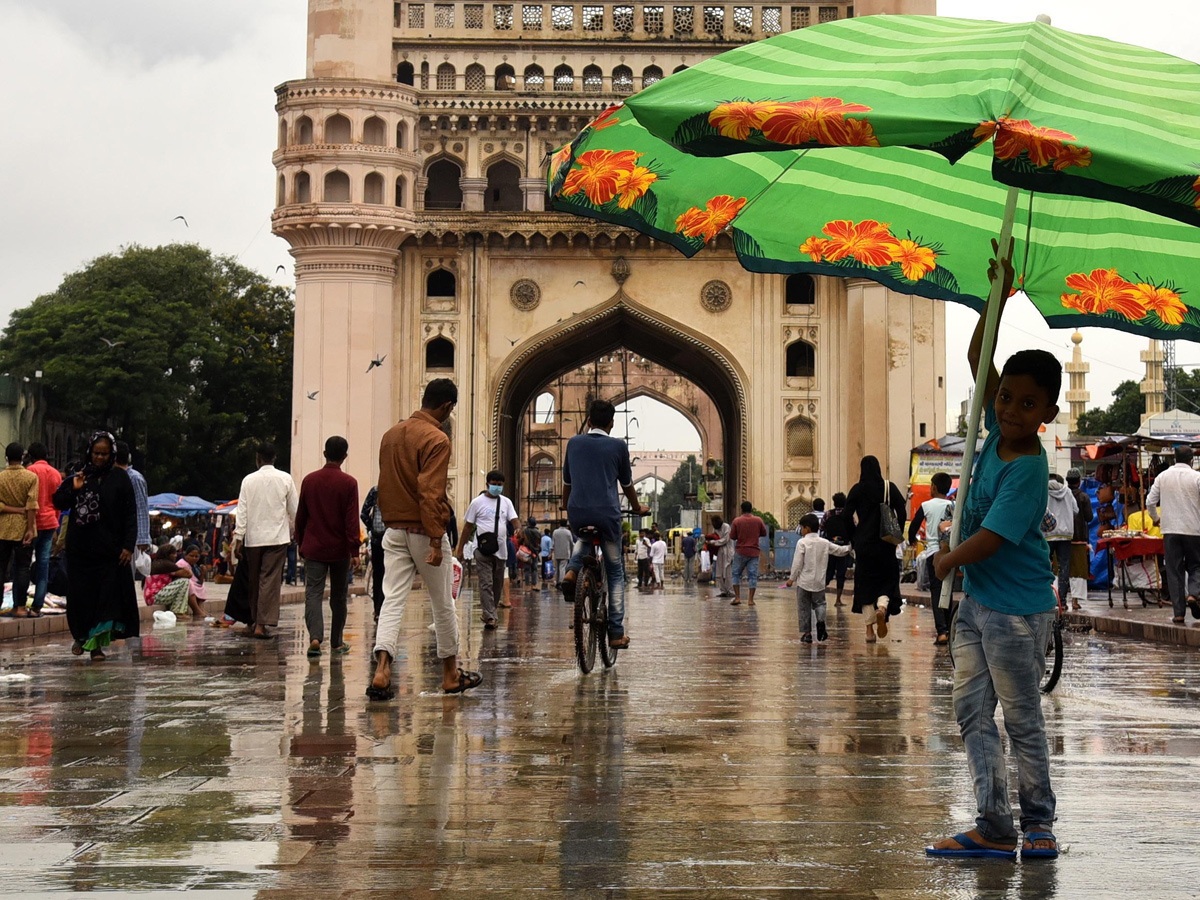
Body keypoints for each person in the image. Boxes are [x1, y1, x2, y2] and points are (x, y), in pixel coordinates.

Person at [927, 248, 1061, 861]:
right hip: (980, 605)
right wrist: (997, 297)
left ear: (1047, 415)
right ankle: (992, 822)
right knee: (972, 712)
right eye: (1005, 398)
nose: (1009, 410)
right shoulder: (990, 435)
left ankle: (1038, 824)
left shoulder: (1029, 466)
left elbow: (995, 539)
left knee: (1021, 718)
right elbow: (983, 359)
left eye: (1026, 405)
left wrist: (945, 561)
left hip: (1016, 609)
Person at [370, 379, 481, 698]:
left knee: (391, 600)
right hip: (423, 531)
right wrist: (436, 539)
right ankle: (449, 673)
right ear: (447, 407)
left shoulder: (391, 435)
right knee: (443, 602)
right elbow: (430, 493)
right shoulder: (437, 438)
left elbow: (386, 484)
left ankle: (381, 670)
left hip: (393, 531)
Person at [559, 399, 649, 650]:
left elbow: (567, 483)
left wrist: (566, 506)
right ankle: (616, 633)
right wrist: (637, 507)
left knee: (582, 538)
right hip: (607, 515)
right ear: (611, 423)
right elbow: (627, 484)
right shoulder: (618, 446)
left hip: (579, 512)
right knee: (615, 571)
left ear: (588, 421)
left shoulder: (574, 443)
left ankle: (572, 570)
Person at [52, 431, 139, 660]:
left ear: (112, 454)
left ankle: (96, 646)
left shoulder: (120, 478)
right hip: (80, 550)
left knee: (105, 598)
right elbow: (58, 502)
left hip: (109, 551)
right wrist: (74, 487)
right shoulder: (79, 474)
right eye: (96, 453)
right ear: (89, 452)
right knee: (80, 596)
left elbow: (131, 514)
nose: (99, 458)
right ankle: (80, 637)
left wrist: (129, 546)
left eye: (104, 454)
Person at [295, 435, 360, 658]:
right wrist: (355, 550)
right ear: (345, 457)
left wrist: (300, 542)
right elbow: (351, 520)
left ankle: (315, 637)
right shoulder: (349, 483)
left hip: (314, 547)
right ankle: (336, 642)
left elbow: (301, 516)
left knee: (313, 593)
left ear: (325, 454)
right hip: (339, 549)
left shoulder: (309, 480)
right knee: (339, 596)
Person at [231, 442, 299, 639]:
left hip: (253, 539)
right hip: (277, 538)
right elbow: (294, 510)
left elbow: (242, 511)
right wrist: (296, 532)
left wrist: (238, 538)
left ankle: (254, 621)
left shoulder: (248, 480)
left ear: (258, 458)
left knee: (254, 580)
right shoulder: (285, 478)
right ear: (274, 458)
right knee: (269, 580)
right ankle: (261, 624)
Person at [846, 456, 907, 642]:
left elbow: (846, 515)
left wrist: (855, 536)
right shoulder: (889, 487)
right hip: (885, 543)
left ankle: (869, 632)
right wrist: (896, 534)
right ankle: (882, 608)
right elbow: (902, 511)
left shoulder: (857, 490)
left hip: (864, 545)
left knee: (865, 585)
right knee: (887, 580)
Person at [457, 470, 519, 628]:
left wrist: (518, 529)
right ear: (487, 484)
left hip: (501, 550)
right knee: (486, 583)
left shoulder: (506, 502)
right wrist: (460, 549)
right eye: (494, 484)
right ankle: (491, 616)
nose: (497, 487)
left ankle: (488, 612)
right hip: (482, 549)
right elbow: (467, 527)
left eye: (500, 485)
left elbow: (514, 520)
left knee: (497, 583)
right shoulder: (477, 502)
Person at [1146, 445, 1200, 625]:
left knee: (1174, 571)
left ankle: (1178, 614)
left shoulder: (1163, 476)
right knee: (1196, 566)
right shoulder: (1197, 477)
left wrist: (1156, 519)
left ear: (1175, 458)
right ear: (1191, 460)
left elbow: (1150, 501)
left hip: (1169, 530)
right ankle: (1193, 593)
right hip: (1194, 530)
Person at [787, 513, 851, 642]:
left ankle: (807, 634)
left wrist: (791, 579)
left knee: (804, 607)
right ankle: (821, 621)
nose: (802, 531)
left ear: (807, 528)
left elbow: (797, 562)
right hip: (819, 582)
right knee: (820, 604)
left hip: (804, 582)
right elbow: (839, 551)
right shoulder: (824, 542)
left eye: (802, 528)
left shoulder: (802, 542)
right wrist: (851, 547)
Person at [908, 472, 955, 644]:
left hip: (933, 554)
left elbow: (913, 526)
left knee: (936, 592)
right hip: (950, 554)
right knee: (947, 591)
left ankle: (942, 632)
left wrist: (912, 539)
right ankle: (949, 630)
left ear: (933, 487)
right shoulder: (953, 505)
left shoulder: (926, 505)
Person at [0, 443, 38, 617]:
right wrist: (30, 529)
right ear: (22, 457)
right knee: (22, 568)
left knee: (1, 568)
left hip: (3, 528)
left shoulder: (0, 478)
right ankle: (20, 607)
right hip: (24, 527)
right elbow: (31, 505)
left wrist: (12, 509)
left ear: (6, 458)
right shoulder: (30, 478)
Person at [26, 442, 62, 617]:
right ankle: (37, 606)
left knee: (24, 563)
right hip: (50, 523)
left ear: (31, 456)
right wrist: (55, 520)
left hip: (31, 525)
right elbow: (58, 501)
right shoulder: (56, 474)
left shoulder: (30, 472)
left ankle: (20, 602)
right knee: (43, 564)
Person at [112, 441, 150, 560]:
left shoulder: (134, 478)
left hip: (132, 540)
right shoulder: (112, 477)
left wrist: (142, 538)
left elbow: (141, 508)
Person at [1045, 473, 1078, 609]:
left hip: (1048, 534)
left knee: (1045, 566)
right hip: (1066, 535)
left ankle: (1047, 598)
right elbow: (1075, 510)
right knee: (1064, 567)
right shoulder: (1068, 491)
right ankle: (1062, 601)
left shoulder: (1044, 491)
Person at [1066, 468, 1094, 611]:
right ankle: (1075, 601)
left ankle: (1062, 600)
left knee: (1062, 570)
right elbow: (1089, 517)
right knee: (1078, 571)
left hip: (1062, 538)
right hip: (1079, 538)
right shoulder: (1083, 497)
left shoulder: (1063, 495)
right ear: (1079, 481)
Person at [729, 501, 767, 607]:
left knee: (736, 574)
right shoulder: (758, 520)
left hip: (740, 551)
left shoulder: (737, 521)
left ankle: (737, 598)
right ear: (751, 509)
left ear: (741, 509)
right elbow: (764, 533)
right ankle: (750, 600)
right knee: (752, 576)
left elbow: (732, 536)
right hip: (754, 552)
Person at [144, 544, 198, 617]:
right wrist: (187, 569)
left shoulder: (157, 563)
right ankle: (178, 612)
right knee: (184, 581)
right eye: (173, 554)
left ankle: (177, 610)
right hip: (155, 597)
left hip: (151, 598)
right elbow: (188, 575)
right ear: (167, 555)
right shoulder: (166, 564)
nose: (175, 556)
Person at [360, 485, 387, 619]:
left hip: (377, 540)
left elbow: (363, 513)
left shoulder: (376, 490)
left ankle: (378, 609)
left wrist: (371, 528)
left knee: (378, 575)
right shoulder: (398, 487)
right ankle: (389, 609)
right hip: (394, 540)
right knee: (393, 576)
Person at [821, 492, 853, 607]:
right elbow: (853, 529)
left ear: (834, 503)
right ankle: (838, 600)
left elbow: (822, 529)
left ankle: (819, 597)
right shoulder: (848, 515)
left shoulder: (828, 514)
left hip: (830, 548)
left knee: (828, 573)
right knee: (841, 575)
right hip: (843, 549)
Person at [710, 515, 733, 597]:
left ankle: (730, 590)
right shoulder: (715, 529)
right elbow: (714, 536)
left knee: (727, 571)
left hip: (727, 551)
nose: (713, 524)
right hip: (719, 551)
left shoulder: (726, 527)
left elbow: (725, 539)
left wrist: (714, 542)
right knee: (719, 571)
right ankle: (723, 590)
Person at [551, 519, 573, 589]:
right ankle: (561, 582)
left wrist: (551, 552)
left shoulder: (555, 532)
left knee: (557, 568)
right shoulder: (568, 532)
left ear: (559, 524)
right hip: (565, 553)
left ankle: (557, 582)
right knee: (562, 568)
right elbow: (571, 543)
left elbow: (553, 543)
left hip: (557, 552)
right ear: (566, 524)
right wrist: (571, 552)